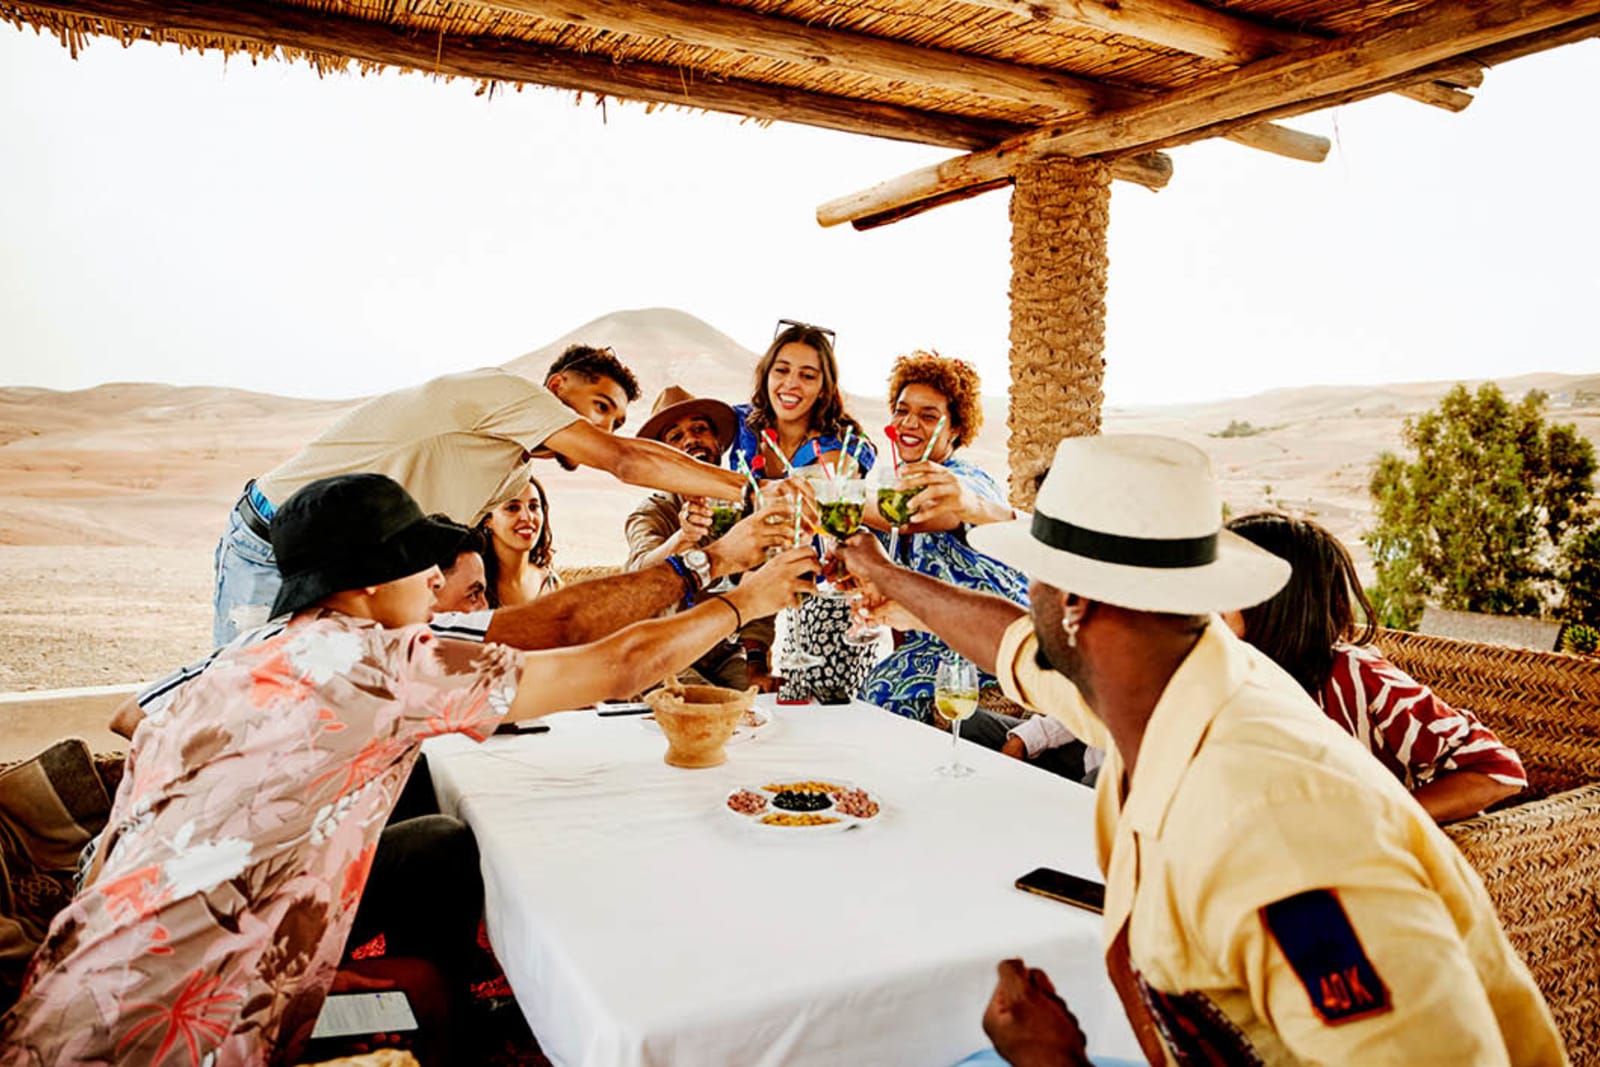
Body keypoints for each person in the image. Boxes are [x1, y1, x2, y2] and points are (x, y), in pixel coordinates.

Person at [4, 473, 814, 1066]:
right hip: (167, 1040)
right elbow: (617, 664)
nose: (436, 575)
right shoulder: (377, 666)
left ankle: (450, 1015)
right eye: (416, 561)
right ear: (361, 584)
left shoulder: (250, 654)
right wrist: (746, 600)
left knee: (437, 844)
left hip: (62, 1006)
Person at [838, 435, 1565, 1064]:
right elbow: (1016, 644)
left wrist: (1058, 1061)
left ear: (1075, 605)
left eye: (1036, 577)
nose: (1029, 597)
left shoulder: (1276, 832)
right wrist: (888, 575)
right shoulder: (1161, 676)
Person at [213, 343, 748, 644]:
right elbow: (625, 460)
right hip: (271, 544)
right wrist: (752, 490)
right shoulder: (503, 392)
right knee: (250, 698)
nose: (605, 427)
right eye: (601, 406)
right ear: (557, 388)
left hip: (354, 579)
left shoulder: (512, 474)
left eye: (616, 420)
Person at [1224, 510, 1526, 824]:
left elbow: (1496, 770)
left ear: (1279, 599)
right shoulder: (1222, 674)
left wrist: (1378, 823)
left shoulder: (1356, 677)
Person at [855, 351, 1030, 724]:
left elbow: (909, 514)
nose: (909, 423)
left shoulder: (963, 481)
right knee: (873, 689)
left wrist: (826, 498)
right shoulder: (896, 483)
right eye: (902, 411)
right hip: (929, 639)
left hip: (989, 640)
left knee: (880, 699)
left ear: (955, 429)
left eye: (928, 415)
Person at [625, 385, 791, 690]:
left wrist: (756, 667)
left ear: (718, 442)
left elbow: (759, 590)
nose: (690, 440)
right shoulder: (653, 513)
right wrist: (683, 537)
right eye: (676, 437)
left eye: (699, 429)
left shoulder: (745, 510)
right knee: (705, 704)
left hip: (723, 652)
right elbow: (638, 574)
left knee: (758, 700)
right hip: (662, 650)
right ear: (663, 457)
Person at [727, 320, 874, 481]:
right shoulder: (743, 422)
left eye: (808, 376)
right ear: (766, 375)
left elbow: (822, 492)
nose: (791, 383)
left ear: (824, 389)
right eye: (781, 370)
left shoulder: (837, 452)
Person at [477, 475, 561, 607]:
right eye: (512, 508)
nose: (528, 517)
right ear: (487, 520)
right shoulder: (474, 587)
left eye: (533, 506)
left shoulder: (550, 583)